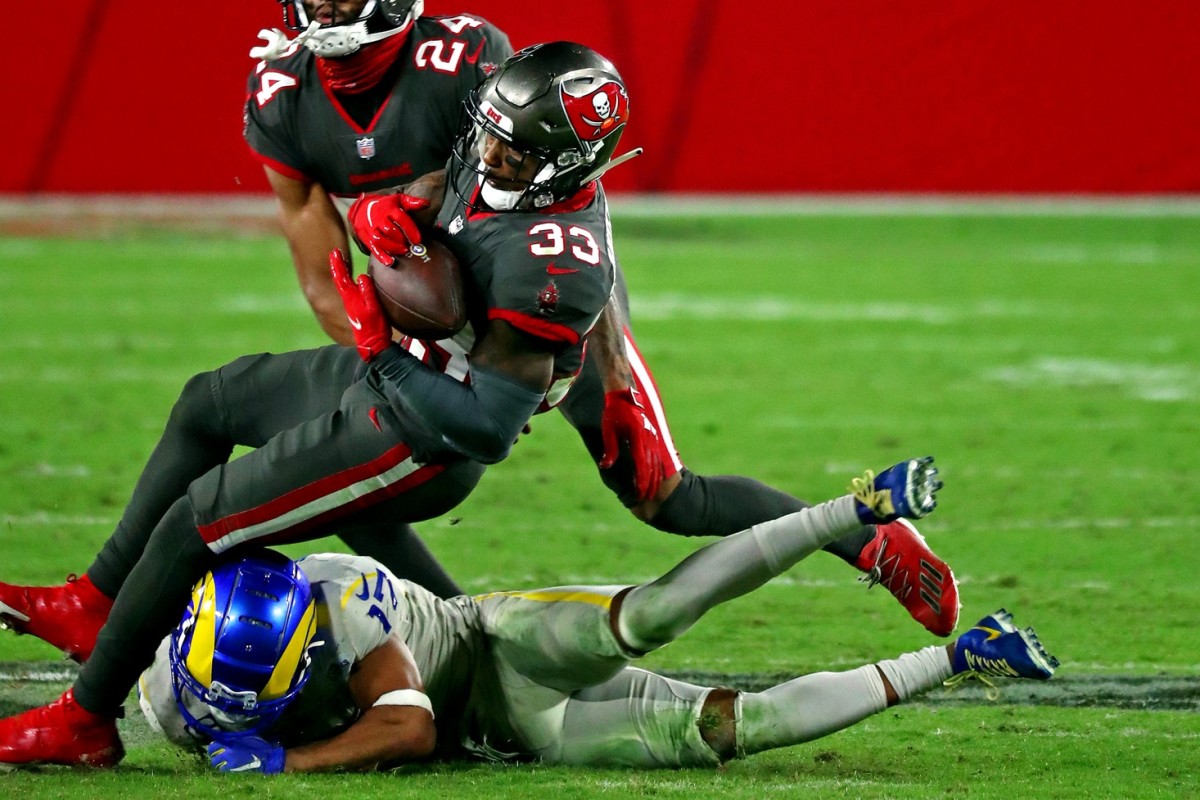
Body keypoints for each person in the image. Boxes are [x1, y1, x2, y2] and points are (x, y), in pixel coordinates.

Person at [0, 41, 634, 767]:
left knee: (198, 521)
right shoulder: (502, 153)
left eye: (512, 153)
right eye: (486, 132)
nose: (488, 155)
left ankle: (85, 720)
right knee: (211, 401)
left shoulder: (556, 263)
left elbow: (487, 430)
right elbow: (445, 183)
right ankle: (100, 604)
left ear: (563, 166)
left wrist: (380, 349)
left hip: (421, 436)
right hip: (395, 379)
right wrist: (384, 210)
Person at [242, 0, 960, 633]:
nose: (326, 16)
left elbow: (573, 203)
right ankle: (463, 639)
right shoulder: (284, 95)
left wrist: (612, 367)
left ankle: (867, 538)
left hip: (542, 299)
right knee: (359, 464)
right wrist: (416, 366)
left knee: (662, 495)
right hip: (442, 326)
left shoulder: (468, 58)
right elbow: (330, 276)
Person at [51, 458, 1059, 771]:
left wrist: (286, 762)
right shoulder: (169, 693)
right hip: (523, 726)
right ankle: (968, 659)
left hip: (495, 643)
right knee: (722, 727)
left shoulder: (342, 595)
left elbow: (409, 722)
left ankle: (860, 507)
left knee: (650, 614)